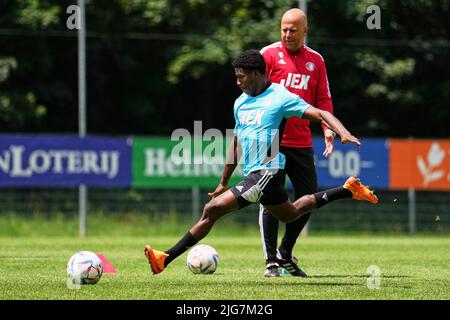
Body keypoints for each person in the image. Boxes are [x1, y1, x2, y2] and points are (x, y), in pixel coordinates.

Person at [144, 49, 378, 275]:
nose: (237, 82)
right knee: (291, 212)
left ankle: (164, 258)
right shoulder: (240, 103)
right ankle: (348, 189)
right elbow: (236, 144)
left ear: (256, 73)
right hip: (255, 174)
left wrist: (342, 131)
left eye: (241, 77)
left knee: (211, 210)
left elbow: (321, 113)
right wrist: (223, 181)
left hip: (268, 171)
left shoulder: (280, 96)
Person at [259, 8, 335, 277]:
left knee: (309, 198)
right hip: (272, 141)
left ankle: (285, 253)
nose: (287, 34)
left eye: (293, 29)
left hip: (302, 141)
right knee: (270, 197)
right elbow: (253, 92)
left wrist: (327, 127)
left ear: (305, 30)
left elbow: (322, 99)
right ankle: (270, 261)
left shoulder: (316, 60)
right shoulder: (267, 55)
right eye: (284, 29)